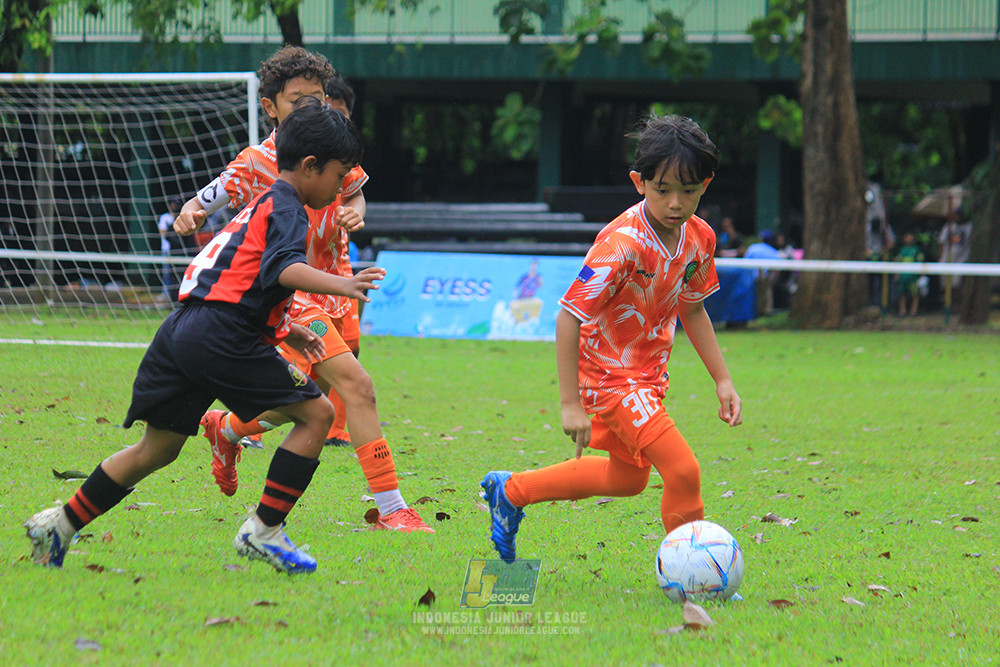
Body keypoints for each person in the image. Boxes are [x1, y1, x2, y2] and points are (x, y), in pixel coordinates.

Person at [24, 99, 384, 574]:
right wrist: (343, 282)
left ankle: (61, 524)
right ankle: (264, 530)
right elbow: (284, 269)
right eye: (339, 176)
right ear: (311, 166)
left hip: (183, 330)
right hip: (221, 336)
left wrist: (287, 328)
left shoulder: (264, 202)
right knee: (317, 414)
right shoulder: (290, 210)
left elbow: (240, 279)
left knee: (157, 450)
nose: (342, 188)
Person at [173, 47, 432, 533]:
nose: (312, 108)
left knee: (318, 399)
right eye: (298, 101)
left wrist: (358, 210)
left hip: (339, 285)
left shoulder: (330, 142)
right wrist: (191, 212)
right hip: (295, 293)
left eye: (318, 98)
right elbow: (207, 197)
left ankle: (225, 429)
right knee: (358, 388)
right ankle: (393, 507)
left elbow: (353, 187)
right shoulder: (256, 162)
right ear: (270, 108)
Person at [480, 114, 742, 564]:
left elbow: (693, 308)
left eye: (689, 190)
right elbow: (568, 316)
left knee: (628, 479)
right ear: (639, 182)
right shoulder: (620, 243)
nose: (676, 203)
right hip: (608, 378)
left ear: (707, 184)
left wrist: (722, 380)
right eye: (663, 190)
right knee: (683, 470)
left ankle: (512, 491)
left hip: (647, 376)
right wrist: (569, 403)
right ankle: (694, 573)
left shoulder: (700, 238)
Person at [865, 179, 895, 308]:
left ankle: (885, 304)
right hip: (869, 257)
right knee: (870, 282)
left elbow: (891, 241)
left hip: (880, 256)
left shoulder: (884, 227)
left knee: (884, 282)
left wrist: (883, 250)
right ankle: (871, 302)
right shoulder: (865, 227)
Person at [742, 229, 783, 316]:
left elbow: (745, 263)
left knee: (753, 295)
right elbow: (776, 270)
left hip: (751, 277)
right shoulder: (773, 252)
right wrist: (774, 280)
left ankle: (755, 312)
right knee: (766, 295)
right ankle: (766, 311)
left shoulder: (753, 248)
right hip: (766, 277)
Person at [156, 196, 182, 299]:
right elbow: (162, 232)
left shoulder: (180, 217)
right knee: (167, 272)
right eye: (174, 203)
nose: (175, 206)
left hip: (178, 251)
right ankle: (165, 293)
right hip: (166, 249)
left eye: (177, 204)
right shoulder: (165, 217)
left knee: (178, 273)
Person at [894, 231, 924, 317]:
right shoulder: (902, 250)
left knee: (915, 294)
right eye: (907, 237)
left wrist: (921, 274)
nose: (908, 239)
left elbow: (920, 261)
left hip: (913, 276)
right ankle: (902, 311)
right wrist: (897, 273)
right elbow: (897, 261)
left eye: (910, 237)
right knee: (902, 294)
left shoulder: (916, 250)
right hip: (903, 276)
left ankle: (913, 311)